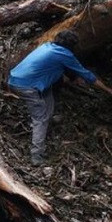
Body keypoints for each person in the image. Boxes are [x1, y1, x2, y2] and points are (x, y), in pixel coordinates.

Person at [8, 30, 112, 165]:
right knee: (40, 118)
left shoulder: (47, 46)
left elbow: (56, 68)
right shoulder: (65, 55)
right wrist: (108, 90)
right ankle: (36, 156)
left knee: (48, 101)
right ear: (72, 45)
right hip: (27, 86)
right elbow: (87, 75)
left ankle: (44, 131)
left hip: (17, 79)